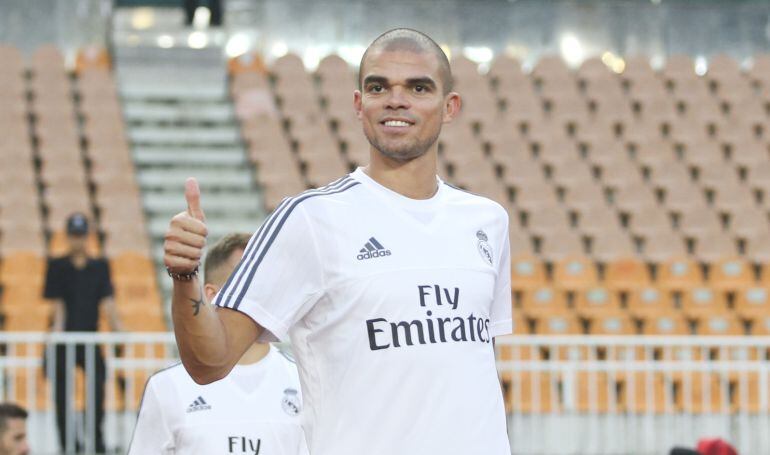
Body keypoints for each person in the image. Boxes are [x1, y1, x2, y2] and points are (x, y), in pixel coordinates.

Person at [164, 28, 512, 454]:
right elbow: (209, 362)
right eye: (378, 87)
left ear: (450, 106)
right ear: (358, 104)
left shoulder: (487, 221)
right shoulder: (309, 219)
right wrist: (185, 276)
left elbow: (471, 370)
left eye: (419, 87)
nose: (395, 100)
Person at [128, 233, 307, 454]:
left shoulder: (303, 383)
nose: (263, 292)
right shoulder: (167, 387)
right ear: (212, 295)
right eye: (248, 281)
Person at [43, 213, 123, 453]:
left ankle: (96, 441)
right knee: (62, 395)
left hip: (90, 338)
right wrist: (56, 333)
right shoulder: (57, 265)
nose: (78, 240)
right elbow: (57, 305)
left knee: (97, 391)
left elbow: (107, 301)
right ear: (68, 236)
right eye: (74, 235)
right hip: (64, 340)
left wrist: (119, 329)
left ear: (87, 236)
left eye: (81, 235)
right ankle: (69, 444)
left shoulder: (99, 266)